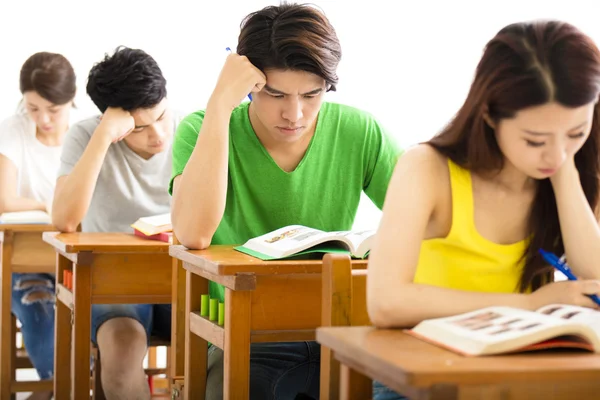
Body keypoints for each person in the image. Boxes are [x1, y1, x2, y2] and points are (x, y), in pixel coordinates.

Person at [170, 3, 401, 399]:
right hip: (246, 332)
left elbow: (428, 220)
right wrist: (219, 104)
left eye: (312, 95)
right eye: (275, 94)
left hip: (343, 328)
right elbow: (192, 234)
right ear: (248, 84)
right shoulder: (202, 128)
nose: (294, 114)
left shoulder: (360, 130)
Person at [367, 20, 600, 399]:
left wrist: (565, 174)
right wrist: (529, 304)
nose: (556, 153)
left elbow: (595, 277)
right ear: (489, 114)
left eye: (576, 132)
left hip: (522, 369)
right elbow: (386, 303)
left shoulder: (567, 166)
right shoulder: (427, 168)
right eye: (535, 139)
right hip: (425, 371)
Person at [51, 46, 178, 400]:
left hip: (183, 275)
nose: (158, 136)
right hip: (114, 280)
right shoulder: (86, 136)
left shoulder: (191, 128)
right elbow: (64, 219)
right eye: (139, 128)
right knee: (122, 353)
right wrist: (103, 137)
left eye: (161, 116)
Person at [0, 51, 76, 400]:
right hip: (25, 260)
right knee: (40, 312)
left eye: (52, 110)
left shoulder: (84, 134)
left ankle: (55, 390)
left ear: (69, 101)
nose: (43, 119)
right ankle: (57, 388)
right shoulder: (14, 131)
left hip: (74, 261)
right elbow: (4, 202)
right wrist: (48, 205)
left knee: (98, 316)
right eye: (32, 108)